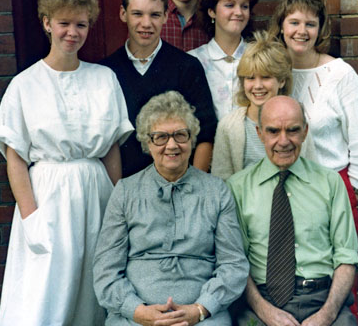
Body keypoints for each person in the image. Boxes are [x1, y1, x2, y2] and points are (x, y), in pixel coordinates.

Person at [0, 0, 133, 325]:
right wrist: (32, 218)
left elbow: (111, 150)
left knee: (91, 289)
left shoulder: (104, 79)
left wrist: (116, 209)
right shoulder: (24, 85)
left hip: (95, 193)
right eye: (64, 23)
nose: (72, 32)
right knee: (45, 293)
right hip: (47, 197)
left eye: (80, 24)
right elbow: (16, 161)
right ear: (47, 23)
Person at [93, 91, 249, 325]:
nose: (172, 145)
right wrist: (137, 311)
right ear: (148, 142)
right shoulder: (126, 191)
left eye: (180, 135)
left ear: (192, 138)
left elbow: (233, 264)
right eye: (161, 137)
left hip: (202, 316)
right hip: (136, 315)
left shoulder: (217, 191)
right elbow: (106, 269)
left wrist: (200, 309)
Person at [227, 96, 358, 326]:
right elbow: (236, 262)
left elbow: (346, 258)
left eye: (292, 130)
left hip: (322, 299)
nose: (284, 141)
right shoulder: (237, 188)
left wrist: (326, 315)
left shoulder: (330, 183)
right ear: (260, 134)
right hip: (261, 303)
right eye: (273, 131)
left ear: (305, 131)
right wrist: (266, 312)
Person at [269, 0, 358, 231]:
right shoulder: (271, 74)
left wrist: (352, 192)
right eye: (294, 22)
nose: (301, 31)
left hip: (331, 189)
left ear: (320, 29)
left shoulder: (341, 75)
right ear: (282, 26)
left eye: (310, 24)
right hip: (281, 192)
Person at [99, 0, 217, 177]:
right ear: (123, 13)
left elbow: (206, 134)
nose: (146, 24)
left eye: (154, 15)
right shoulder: (106, 71)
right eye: (137, 14)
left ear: (165, 16)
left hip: (179, 184)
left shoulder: (187, 66)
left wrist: (194, 187)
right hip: (126, 188)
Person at [211, 31, 315, 180]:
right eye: (250, 78)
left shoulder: (296, 121)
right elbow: (221, 183)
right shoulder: (229, 127)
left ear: (282, 81)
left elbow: (311, 174)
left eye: (266, 77)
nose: (257, 86)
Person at [188, 0, 259, 120]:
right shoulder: (193, 60)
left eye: (244, 6)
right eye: (229, 5)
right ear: (212, 11)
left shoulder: (259, 56)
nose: (239, 12)